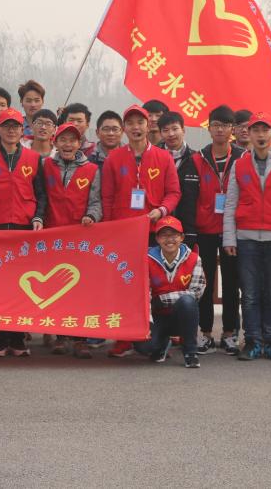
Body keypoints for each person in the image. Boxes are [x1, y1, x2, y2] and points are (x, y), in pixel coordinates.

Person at [222, 112, 271, 361]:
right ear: (249, 134)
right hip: (246, 238)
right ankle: (253, 341)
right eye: (255, 130)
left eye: (265, 130)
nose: (260, 135)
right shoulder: (239, 165)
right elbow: (231, 203)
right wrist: (229, 238)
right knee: (250, 294)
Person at [101, 104, 180, 358]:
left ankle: (162, 333)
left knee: (158, 283)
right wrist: (110, 230)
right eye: (131, 123)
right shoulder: (114, 159)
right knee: (125, 283)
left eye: (140, 122)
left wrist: (161, 211)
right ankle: (124, 338)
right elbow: (107, 197)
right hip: (124, 233)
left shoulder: (163, 157)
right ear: (124, 129)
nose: (136, 127)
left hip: (154, 230)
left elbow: (173, 192)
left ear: (149, 126)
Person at [0, 106, 48, 357]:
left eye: (16, 126)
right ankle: (0, 338)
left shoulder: (33, 158)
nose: (12, 130)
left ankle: (17, 338)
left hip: (24, 227)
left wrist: (38, 216)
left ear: (22, 129)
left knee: (22, 283)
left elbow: (41, 194)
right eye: (6, 126)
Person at [42, 122, 102, 358]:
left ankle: (80, 338)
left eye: (73, 140)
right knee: (56, 286)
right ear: (55, 142)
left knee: (80, 288)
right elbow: (40, 197)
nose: (68, 144)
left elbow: (96, 202)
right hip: (52, 236)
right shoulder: (45, 165)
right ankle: (60, 335)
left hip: (79, 238)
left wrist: (91, 216)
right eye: (63, 140)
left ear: (80, 144)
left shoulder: (92, 170)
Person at [191, 105, 246, 356]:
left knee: (232, 282)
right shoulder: (198, 158)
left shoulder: (243, 158)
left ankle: (230, 333)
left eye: (225, 125)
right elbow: (190, 196)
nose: (220, 130)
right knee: (204, 281)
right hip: (205, 228)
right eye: (215, 125)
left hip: (232, 228)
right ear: (209, 128)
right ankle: (205, 332)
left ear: (232, 129)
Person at [136, 217, 205, 368]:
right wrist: (148, 324)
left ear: (182, 237)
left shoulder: (194, 259)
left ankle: (190, 353)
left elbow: (196, 293)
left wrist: (162, 299)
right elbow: (144, 293)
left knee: (188, 301)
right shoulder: (146, 259)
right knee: (144, 347)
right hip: (156, 316)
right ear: (157, 239)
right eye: (164, 235)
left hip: (181, 315)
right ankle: (161, 344)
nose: (169, 240)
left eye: (174, 235)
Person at [158, 111, 199, 248]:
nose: (171, 134)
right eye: (165, 130)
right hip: (159, 226)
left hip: (188, 228)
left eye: (175, 129)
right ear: (160, 133)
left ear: (183, 130)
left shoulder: (196, 159)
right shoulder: (153, 157)